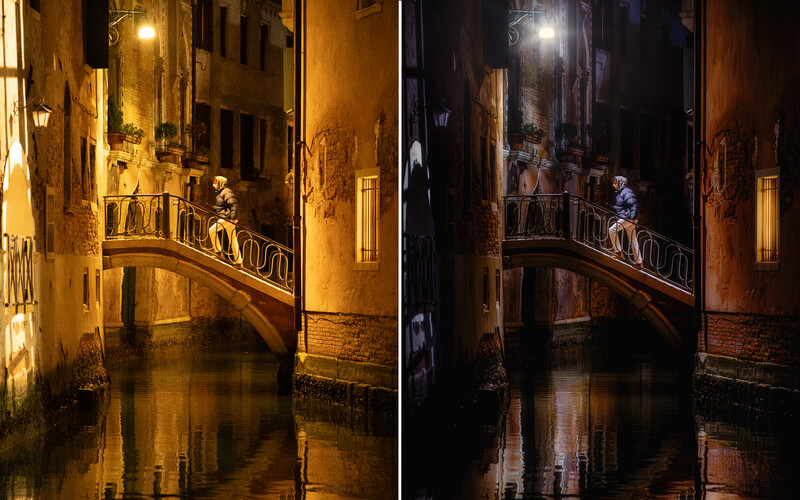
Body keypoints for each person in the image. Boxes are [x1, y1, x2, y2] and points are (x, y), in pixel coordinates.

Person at [608, 175, 643, 268]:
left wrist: (634, 218)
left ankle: (618, 252)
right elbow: (623, 206)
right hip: (629, 217)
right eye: (613, 183)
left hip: (628, 218)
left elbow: (634, 204)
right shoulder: (621, 192)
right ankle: (639, 262)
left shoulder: (626, 192)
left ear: (620, 182)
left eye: (615, 183)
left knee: (612, 230)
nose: (613, 185)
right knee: (633, 239)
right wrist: (613, 207)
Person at [208, 176, 242, 266]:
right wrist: (213, 208)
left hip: (228, 218)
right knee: (233, 239)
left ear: (220, 183)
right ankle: (239, 262)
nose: (213, 185)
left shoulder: (226, 192)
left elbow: (234, 205)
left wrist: (233, 218)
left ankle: (219, 253)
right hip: (228, 217)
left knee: (211, 230)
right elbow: (223, 207)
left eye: (215, 183)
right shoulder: (221, 193)